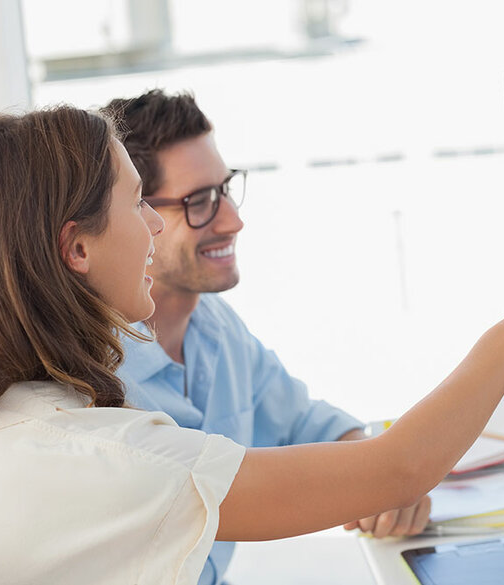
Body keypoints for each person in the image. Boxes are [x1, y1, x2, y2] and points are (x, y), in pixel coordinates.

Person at [0, 106, 504, 584]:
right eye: (138, 204)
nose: (147, 231)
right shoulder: (110, 460)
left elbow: (318, 429)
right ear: (77, 247)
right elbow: (396, 468)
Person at [100, 90, 433, 583]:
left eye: (226, 190)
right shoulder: (85, 383)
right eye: (199, 203)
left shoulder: (216, 327)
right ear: (136, 216)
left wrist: (378, 476)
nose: (233, 220)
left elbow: (304, 423)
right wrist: (385, 473)